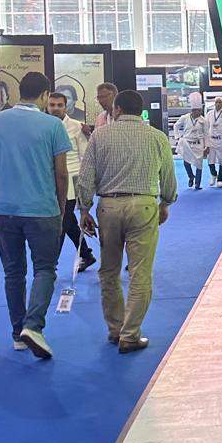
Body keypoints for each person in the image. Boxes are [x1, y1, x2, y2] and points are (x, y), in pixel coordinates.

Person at [76, 88, 177, 354]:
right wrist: (166, 203)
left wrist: (84, 209)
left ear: (117, 109)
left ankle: (115, 329)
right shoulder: (157, 137)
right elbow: (168, 177)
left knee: (109, 271)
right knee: (140, 273)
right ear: (140, 111)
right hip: (144, 205)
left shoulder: (99, 135)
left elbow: (85, 177)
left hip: (108, 207)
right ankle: (130, 334)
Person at [0, 69, 71, 360]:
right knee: (45, 269)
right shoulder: (53, 125)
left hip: (4, 209)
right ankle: (33, 326)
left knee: (13, 272)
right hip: (42, 208)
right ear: (45, 95)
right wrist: (61, 208)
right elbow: (61, 173)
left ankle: (17, 333)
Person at [47, 91, 97, 272]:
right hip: (50, 181)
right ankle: (86, 254)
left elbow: (85, 156)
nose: (56, 108)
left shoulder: (77, 126)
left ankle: (51, 265)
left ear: (66, 106)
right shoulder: (44, 125)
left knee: (62, 222)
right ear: (47, 106)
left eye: (59, 105)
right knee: (68, 220)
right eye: (52, 105)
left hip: (72, 181)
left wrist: (85, 184)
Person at [173, 102, 208, 189]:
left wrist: (207, 146)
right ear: (193, 110)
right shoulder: (184, 117)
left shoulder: (203, 120)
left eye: (200, 110)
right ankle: (191, 176)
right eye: (198, 110)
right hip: (187, 143)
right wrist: (177, 137)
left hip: (198, 144)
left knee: (199, 164)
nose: (199, 112)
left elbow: (206, 134)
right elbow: (176, 126)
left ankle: (197, 184)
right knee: (186, 162)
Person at [205, 95, 222, 188]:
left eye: (220, 102)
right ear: (214, 103)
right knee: (210, 160)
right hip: (211, 140)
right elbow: (205, 127)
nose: (218, 104)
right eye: (217, 102)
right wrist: (205, 142)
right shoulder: (209, 114)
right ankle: (213, 174)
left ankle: (220, 179)